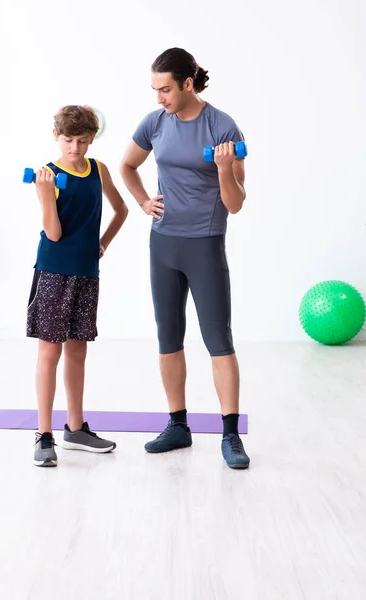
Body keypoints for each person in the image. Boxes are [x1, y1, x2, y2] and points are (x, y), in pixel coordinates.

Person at [120, 48, 250, 469]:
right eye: (155, 89)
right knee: (168, 336)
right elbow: (127, 166)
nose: (159, 97)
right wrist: (143, 202)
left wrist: (226, 170)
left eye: (165, 89)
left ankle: (230, 435)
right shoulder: (155, 122)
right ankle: (177, 425)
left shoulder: (221, 125)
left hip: (204, 243)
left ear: (188, 84)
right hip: (163, 244)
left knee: (218, 339)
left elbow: (235, 204)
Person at [28, 105, 128, 467]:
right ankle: (44, 434)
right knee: (50, 352)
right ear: (57, 136)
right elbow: (53, 234)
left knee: (78, 351)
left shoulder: (97, 169)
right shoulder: (48, 175)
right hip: (54, 272)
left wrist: (103, 243)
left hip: (86, 272)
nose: (75, 148)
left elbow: (121, 210)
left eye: (83, 141)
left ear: (92, 139)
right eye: (69, 140)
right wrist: (44, 196)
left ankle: (74, 428)